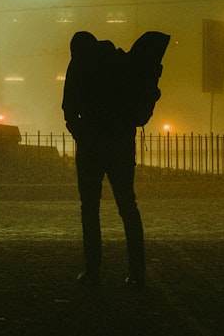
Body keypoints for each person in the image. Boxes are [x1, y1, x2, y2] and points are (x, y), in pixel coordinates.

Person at [62, 31, 148, 288]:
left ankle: (92, 270)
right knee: (128, 206)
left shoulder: (79, 64)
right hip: (120, 144)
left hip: (91, 145)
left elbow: (69, 109)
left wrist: (81, 134)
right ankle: (137, 272)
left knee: (89, 208)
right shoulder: (118, 63)